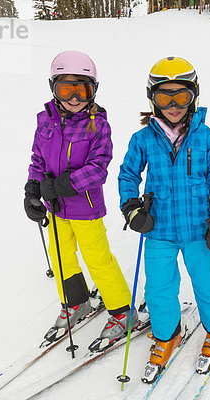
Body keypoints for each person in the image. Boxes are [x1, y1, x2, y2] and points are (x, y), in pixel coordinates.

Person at [118, 56, 210, 381]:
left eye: (180, 96)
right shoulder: (143, 138)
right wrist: (132, 208)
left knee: (207, 284)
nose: (172, 105)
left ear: (193, 96)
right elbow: (128, 174)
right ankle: (167, 335)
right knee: (157, 288)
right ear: (151, 98)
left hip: (200, 228)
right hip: (159, 229)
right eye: (163, 96)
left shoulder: (207, 137)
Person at [24, 50, 139, 349]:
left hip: (85, 208)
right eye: (66, 89)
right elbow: (38, 158)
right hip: (56, 208)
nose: (74, 97)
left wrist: (60, 185)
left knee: (98, 260)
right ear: (53, 88)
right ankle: (76, 302)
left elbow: (97, 169)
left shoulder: (97, 125)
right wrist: (33, 189)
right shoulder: (46, 120)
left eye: (82, 89)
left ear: (93, 91)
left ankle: (123, 311)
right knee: (61, 255)